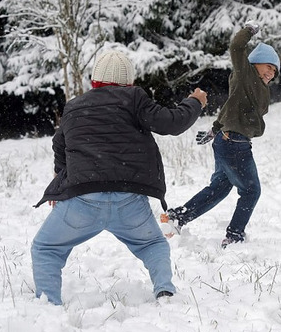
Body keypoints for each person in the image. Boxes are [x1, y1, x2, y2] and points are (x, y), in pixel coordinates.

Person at [31, 50, 207, 305]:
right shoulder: (134, 98)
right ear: (129, 81)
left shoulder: (74, 106)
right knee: (153, 245)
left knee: (46, 247)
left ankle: (48, 305)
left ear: (94, 80)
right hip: (129, 201)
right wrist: (195, 102)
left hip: (83, 200)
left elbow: (60, 146)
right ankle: (165, 291)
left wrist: (59, 186)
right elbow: (171, 123)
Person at [161, 21, 280, 248]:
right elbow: (236, 47)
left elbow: (230, 106)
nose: (271, 73)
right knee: (251, 190)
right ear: (255, 63)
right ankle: (234, 236)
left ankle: (177, 217)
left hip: (228, 141)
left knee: (219, 188)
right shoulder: (245, 74)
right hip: (235, 144)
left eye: (274, 71)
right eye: (268, 66)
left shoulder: (255, 87)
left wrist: (215, 129)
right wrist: (249, 31)